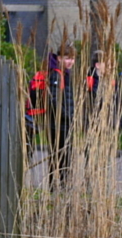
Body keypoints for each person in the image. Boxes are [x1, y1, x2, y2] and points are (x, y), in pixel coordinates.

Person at [47, 45, 77, 188]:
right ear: (59, 58)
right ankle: (55, 186)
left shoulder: (66, 74)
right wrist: (68, 116)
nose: (70, 62)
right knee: (59, 156)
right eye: (67, 58)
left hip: (66, 123)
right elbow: (54, 100)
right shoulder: (56, 75)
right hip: (58, 124)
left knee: (67, 157)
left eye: (72, 58)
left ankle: (65, 185)